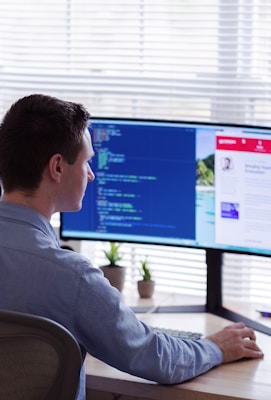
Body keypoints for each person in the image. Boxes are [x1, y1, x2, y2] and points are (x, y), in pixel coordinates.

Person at [0, 94, 263, 400]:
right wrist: (215, 347)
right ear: (57, 167)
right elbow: (155, 357)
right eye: (86, 161)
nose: (91, 174)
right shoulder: (72, 278)